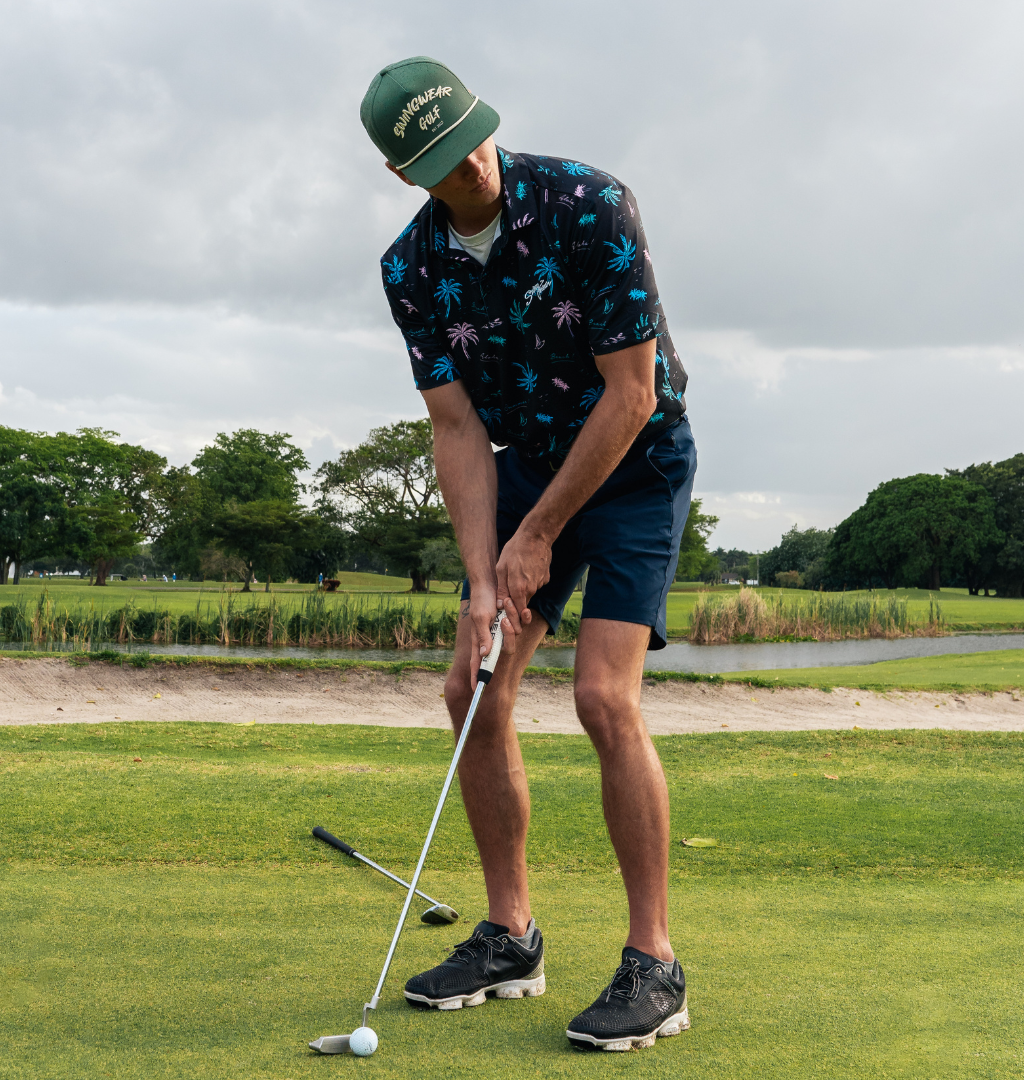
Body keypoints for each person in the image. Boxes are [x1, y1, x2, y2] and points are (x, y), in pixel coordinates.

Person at [361, 57, 695, 1052]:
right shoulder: (408, 267)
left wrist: (539, 534)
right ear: (406, 172)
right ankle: (512, 934)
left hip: (633, 464)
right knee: (472, 686)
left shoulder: (589, 202)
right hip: (526, 463)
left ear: (483, 122)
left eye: (470, 142)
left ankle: (655, 964)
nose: (469, 167)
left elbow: (629, 394)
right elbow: (457, 428)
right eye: (441, 161)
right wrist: (480, 578)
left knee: (602, 695)